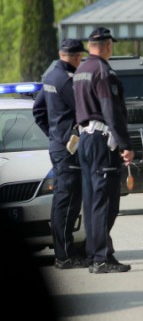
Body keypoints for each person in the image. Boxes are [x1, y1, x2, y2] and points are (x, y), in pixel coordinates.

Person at [74, 27, 135, 274]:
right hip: (102, 141)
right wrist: (125, 145)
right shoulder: (102, 71)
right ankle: (101, 258)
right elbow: (111, 110)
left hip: (85, 140)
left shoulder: (80, 71)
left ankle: (96, 254)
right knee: (106, 202)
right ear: (108, 45)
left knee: (92, 201)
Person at [32, 38, 90, 269]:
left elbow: (38, 112)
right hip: (68, 149)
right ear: (76, 57)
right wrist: (66, 137)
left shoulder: (49, 77)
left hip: (59, 146)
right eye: (80, 58)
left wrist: (55, 135)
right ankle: (65, 256)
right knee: (68, 202)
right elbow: (83, 111)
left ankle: (64, 253)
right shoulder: (67, 81)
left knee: (62, 200)